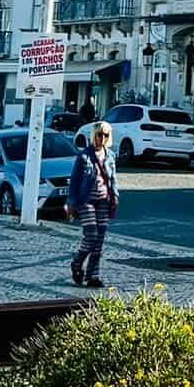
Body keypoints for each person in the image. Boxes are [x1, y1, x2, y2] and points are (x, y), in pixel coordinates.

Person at [67, 120, 119, 287]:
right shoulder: (83, 156)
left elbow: (113, 179)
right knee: (91, 236)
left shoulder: (110, 156)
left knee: (100, 240)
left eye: (105, 135)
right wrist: (71, 203)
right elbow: (74, 181)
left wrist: (115, 196)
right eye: (99, 134)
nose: (102, 138)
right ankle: (76, 263)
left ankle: (93, 276)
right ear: (93, 136)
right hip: (86, 200)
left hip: (104, 201)